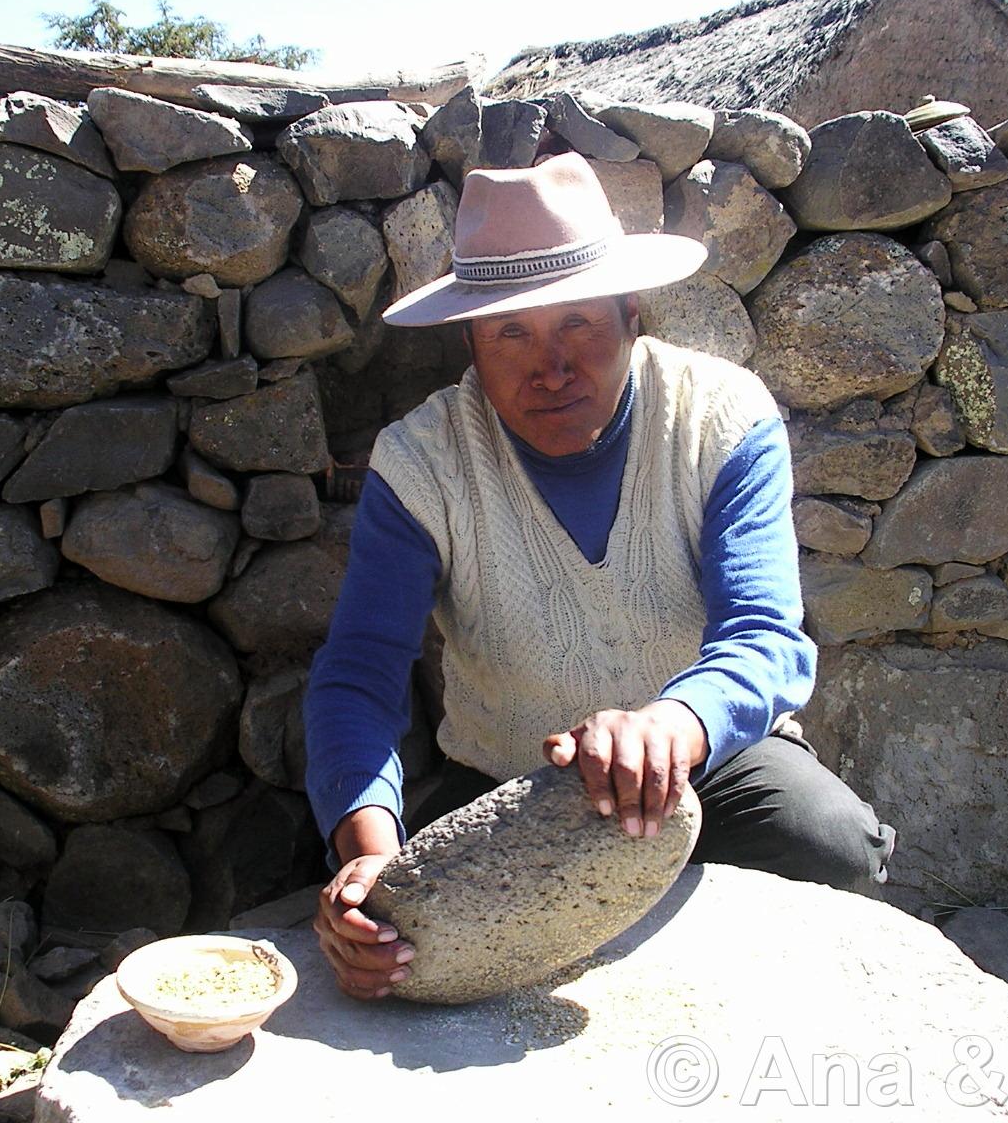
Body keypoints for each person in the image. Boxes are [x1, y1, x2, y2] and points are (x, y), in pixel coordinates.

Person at [304, 152, 895, 1000]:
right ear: (471, 339)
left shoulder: (721, 417)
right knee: (392, 937)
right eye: (512, 332)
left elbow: (763, 635)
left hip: (705, 762)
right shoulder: (423, 462)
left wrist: (673, 723)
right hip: (509, 782)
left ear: (630, 314)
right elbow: (359, 675)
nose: (551, 367)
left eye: (578, 322)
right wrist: (366, 853)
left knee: (830, 846)